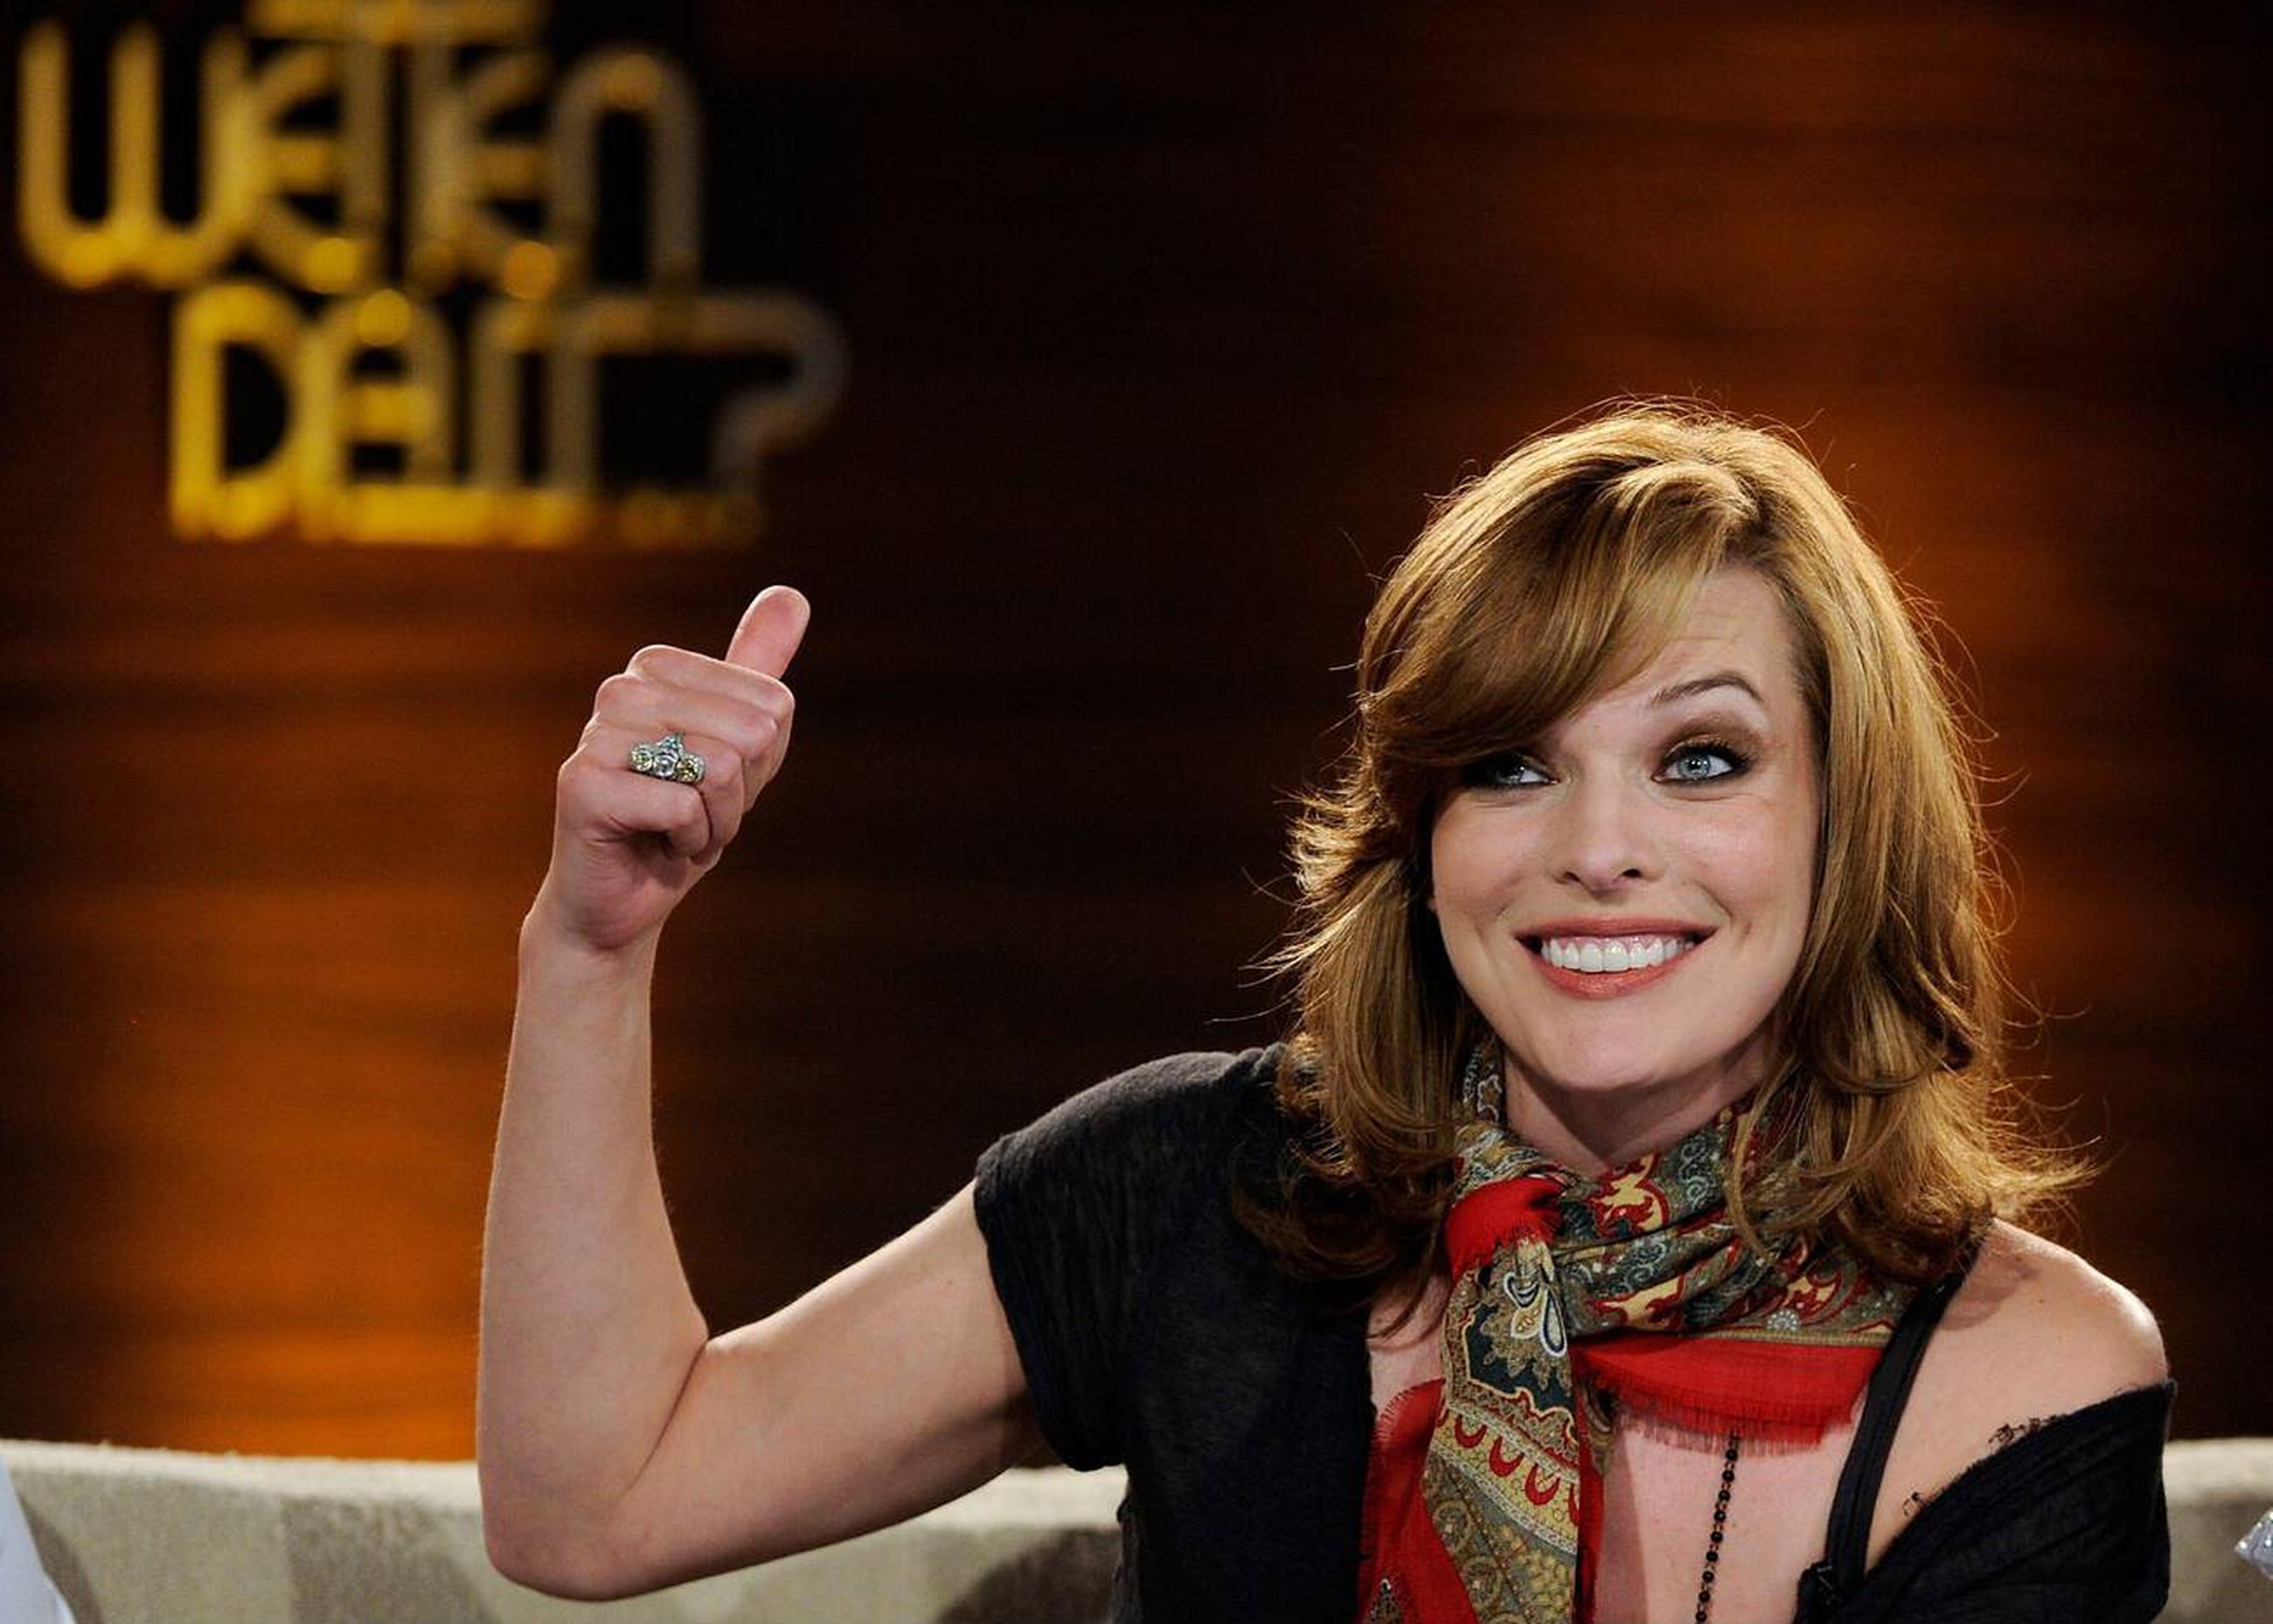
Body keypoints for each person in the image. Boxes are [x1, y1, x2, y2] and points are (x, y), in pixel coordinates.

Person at [476, 402, 2173, 1623]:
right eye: (1509, 764)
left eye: (1701, 758)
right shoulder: (1195, 1189)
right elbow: (599, 1497)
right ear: (1421, 842)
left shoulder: (2026, 1381)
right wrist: (590, 946)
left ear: (1842, 823)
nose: (1596, 849)